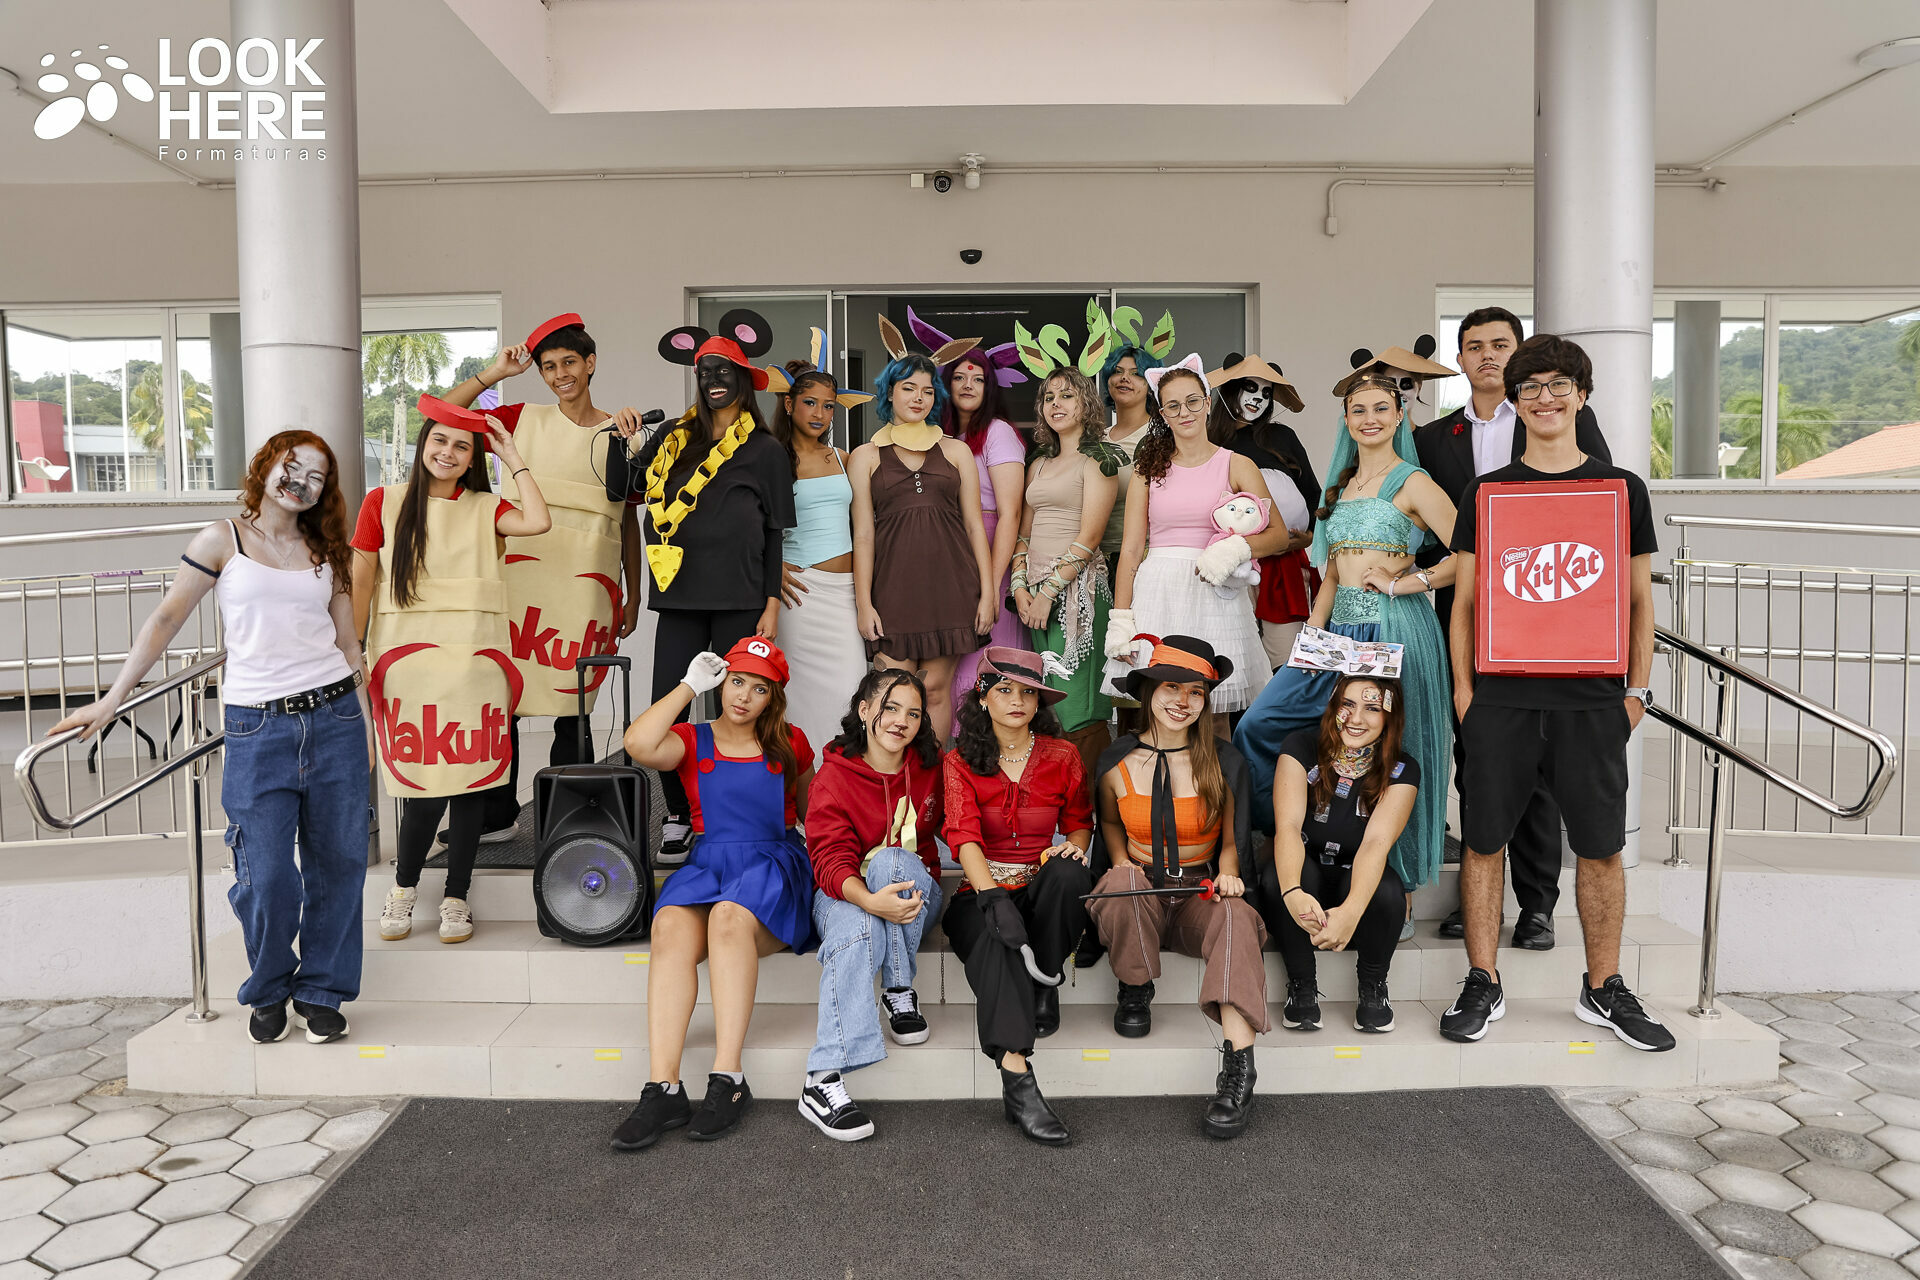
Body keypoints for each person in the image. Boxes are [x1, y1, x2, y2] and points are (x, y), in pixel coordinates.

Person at [53, 433, 371, 1047]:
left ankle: (322, 992)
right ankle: (270, 986)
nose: (301, 482)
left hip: (334, 717)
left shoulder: (327, 549)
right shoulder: (221, 540)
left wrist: (368, 725)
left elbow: (347, 643)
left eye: (316, 476)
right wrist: (113, 698)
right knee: (266, 875)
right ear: (266, 466)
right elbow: (166, 617)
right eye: (292, 466)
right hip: (258, 726)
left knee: (339, 865)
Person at [1441, 334, 1672, 1052]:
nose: (1545, 398)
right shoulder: (1487, 492)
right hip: (1501, 699)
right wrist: (1465, 693)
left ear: (1581, 395)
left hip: (1593, 700)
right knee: (1484, 844)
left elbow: (1639, 601)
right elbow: (1466, 603)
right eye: (1530, 387)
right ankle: (1483, 979)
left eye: (1558, 384)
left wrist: (1636, 691)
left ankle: (1603, 987)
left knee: (1600, 849)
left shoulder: (1620, 490)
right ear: (1514, 402)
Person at [1414, 306, 1614, 950]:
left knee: (1541, 772)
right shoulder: (1433, 437)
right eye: (1474, 346)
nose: (1488, 356)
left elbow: (1596, 509)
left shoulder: (1555, 415)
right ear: (1460, 360)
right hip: (1465, 610)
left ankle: (1537, 905)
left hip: (1545, 616)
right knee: (1477, 761)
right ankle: (1482, 902)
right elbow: (1427, 530)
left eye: (1500, 344)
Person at [1232, 367, 1457, 912]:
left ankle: (1392, 889)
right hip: (1337, 631)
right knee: (1259, 723)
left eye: (1381, 408)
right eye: (1359, 410)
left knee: (1388, 745)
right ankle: (1288, 835)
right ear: (1347, 421)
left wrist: (1409, 582)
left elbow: (1471, 553)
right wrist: (1311, 636)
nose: (1369, 418)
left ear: (1399, 415)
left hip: (1394, 627)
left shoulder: (1414, 482)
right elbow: (1331, 574)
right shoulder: (1341, 485)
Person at [439, 313, 647, 843]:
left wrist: (633, 593)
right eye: (549, 367)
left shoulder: (622, 432)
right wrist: (494, 373)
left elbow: (627, 519)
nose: (560, 375)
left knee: (572, 705)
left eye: (569, 362)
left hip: (587, 584)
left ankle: (567, 817)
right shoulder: (518, 418)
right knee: (502, 696)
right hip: (519, 579)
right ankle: (496, 816)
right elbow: (444, 414)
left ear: (591, 363)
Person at [351, 397, 552, 947]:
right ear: (423, 445)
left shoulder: (487, 508)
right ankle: (403, 888)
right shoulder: (382, 503)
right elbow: (361, 582)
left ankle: (456, 896)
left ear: (472, 459)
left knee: (471, 788)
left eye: (462, 446)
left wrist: (511, 455)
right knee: (422, 788)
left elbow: (538, 520)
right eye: (439, 440)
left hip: (473, 667)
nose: (448, 452)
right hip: (406, 669)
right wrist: (353, 654)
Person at [612, 637, 817, 1150]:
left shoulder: (791, 742)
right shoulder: (691, 738)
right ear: (721, 683)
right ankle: (663, 1087)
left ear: (774, 698)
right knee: (668, 924)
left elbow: (815, 816)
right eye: (736, 681)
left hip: (773, 864)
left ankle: (729, 1079)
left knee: (728, 917)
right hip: (709, 864)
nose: (744, 696)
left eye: (759, 689)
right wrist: (688, 686)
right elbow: (638, 744)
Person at [611, 310, 795, 858]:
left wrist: (771, 604)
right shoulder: (673, 436)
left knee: (743, 706)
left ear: (743, 379)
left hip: (741, 597)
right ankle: (676, 813)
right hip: (680, 599)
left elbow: (774, 533)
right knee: (666, 703)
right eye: (705, 372)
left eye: (724, 371)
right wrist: (627, 442)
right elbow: (624, 490)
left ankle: (741, 807)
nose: (714, 380)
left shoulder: (765, 450)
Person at [1086, 636, 1268, 1139]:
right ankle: (1135, 987)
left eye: (1196, 692)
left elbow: (1232, 840)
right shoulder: (1116, 760)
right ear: (1149, 692)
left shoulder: (1224, 761)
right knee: (1122, 880)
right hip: (1139, 894)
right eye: (1171, 687)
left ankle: (1239, 1068)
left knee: (1235, 914)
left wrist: (1229, 874)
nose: (1182, 701)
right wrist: (1123, 866)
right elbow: (1110, 827)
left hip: (1197, 895)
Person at [941, 648, 1095, 1146]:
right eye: (1005, 690)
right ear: (983, 698)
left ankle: (1045, 981)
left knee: (1070, 876)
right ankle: (1017, 1075)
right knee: (995, 937)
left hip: (1041, 883)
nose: (1018, 700)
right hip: (980, 889)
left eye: (1028, 692)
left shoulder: (1062, 755)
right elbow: (963, 835)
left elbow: (1079, 822)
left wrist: (1072, 848)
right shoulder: (959, 760)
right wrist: (991, 897)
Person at [798, 668, 944, 1141]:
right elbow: (828, 859)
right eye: (891, 708)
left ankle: (898, 987)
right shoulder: (833, 778)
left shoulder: (930, 768)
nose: (902, 721)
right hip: (844, 894)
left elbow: (961, 825)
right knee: (856, 925)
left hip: (914, 897)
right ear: (864, 711)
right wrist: (869, 903)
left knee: (892, 861)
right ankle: (823, 1079)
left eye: (914, 714)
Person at [1107, 355, 1285, 716]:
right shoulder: (1147, 469)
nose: (1184, 412)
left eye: (1192, 401)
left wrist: (1234, 550)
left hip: (1216, 594)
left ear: (1207, 403)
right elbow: (1131, 550)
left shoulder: (1236, 463)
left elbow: (1279, 535)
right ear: (1163, 414)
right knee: (1159, 707)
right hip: (1157, 593)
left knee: (1213, 710)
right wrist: (1121, 620)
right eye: (1173, 406)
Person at [850, 345, 996, 743]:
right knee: (892, 694)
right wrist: (864, 603)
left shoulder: (956, 451)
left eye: (928, 391)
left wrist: (987, 594)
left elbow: (974, 525)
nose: (919, 397)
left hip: (950, 588)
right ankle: (893, 778)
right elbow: (862, 535)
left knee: (934, 691)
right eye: (908, 388)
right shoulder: (865, 456)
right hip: (892, 592)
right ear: (889, 392)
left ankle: (935, 777)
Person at [1264, 674, 1420, 1037]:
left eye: (1372, 708)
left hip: (1357, 879)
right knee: (1276, 879)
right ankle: (1301, 985)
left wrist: (1350, 913)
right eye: (1347, 705)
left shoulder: (1403, 768)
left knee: (1388, 891)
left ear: (1389, 716)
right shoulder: (1300, 747)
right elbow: (1288, 826)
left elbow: (1376, 842)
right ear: (1334, 707)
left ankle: (1373, 986)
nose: (1356, 718)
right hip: (1307, 871)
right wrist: (1293, 893)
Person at [767, 330, 877, 753]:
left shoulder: (844, 458)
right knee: (797, 704)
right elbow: (752, 524)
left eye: (828, 406)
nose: (820, 413)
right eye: (810, 403)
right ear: (789, 404)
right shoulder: (772, 457)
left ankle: (841, 788)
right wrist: (771, 566)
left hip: (844, 594)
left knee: (851, 694)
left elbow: (863, 529)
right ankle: (802, 791)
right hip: (800, 595)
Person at [1013, 366, 1121, 781]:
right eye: (1049, 397)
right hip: (1034, 594)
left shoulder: (1099, 460)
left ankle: (1096, 807)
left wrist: (1048, 594)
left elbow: (1090, 536)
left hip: (1078, 593)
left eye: (1067, 396)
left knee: (1079, 707)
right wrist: (1020, 588)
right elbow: (1024, 533)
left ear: (1086, 404)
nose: (1056, 404)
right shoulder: (1039, 462)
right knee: (1049, 703)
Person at [1207, 354, 1320, 667]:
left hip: (1284, 563)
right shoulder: (1208, 441)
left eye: (1267, 392)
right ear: (1231, 389)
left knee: (1286, 659)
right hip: (1228, 565)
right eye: (1251, 387)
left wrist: (1310, 535)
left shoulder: (1282, 437)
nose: (1258, 398)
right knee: (1231, 657)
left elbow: (1313, 493)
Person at [942, 343, 1031, 727]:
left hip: (992, 550)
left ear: (989, 387)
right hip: (950, 555)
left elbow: (1011, 513)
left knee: (989, 663)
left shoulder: (998, 432)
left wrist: (992, 586)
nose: (968, 385)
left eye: (978, 379)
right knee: (951, 669)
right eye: (960, 377)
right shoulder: (939, 435)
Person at [1095, 308, 1178, 565]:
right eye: (1117, 371)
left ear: (1151, 384)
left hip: (1145, 557)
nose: (1124, 378)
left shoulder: (1163, 436)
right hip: (1097, 560)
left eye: (1136, 373)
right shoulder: (1095, 439)